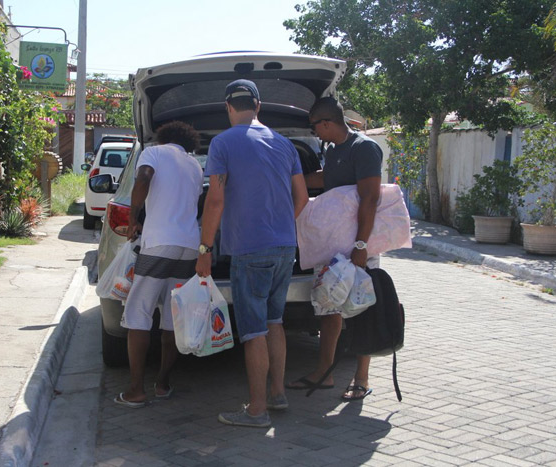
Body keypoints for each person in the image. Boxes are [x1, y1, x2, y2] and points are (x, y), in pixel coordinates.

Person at [196, 79, 309, 427]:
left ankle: (257, 411)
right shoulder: (285, 144)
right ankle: (277, 394)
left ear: (229, 107)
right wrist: (279, 225)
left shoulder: (223, 143)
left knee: (253, 331)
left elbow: (215, 200)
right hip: (285, 248)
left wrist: (204, 249)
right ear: (258, 106)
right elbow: (302, 198)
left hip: (249, 249)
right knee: (275, 322)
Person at [286, 96, 383, 401]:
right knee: (328, 308)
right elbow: (326, 179)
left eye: (315, 127)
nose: (315, 133)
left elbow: (370, 198)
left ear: (327, 122)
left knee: (359, 308)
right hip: (332, 244)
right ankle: (324, 373)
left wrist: (361, 245)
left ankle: (362, 378)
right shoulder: (336, 150)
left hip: (357, 245)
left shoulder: (364, 148)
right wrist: (288, 180)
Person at [114, 121, 203, 408]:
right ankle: (163, 383)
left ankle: (136, 390)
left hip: (158, 244)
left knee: (138, 314)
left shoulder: (153, 153)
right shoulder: (194, 165)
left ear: (163, 137)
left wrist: (133, 217)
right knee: (171, 319)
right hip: (189, 247)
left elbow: (144, 178)